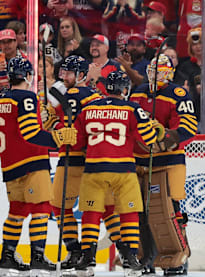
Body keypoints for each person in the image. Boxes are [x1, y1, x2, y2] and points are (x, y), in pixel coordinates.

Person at [0, 56, 76, 275]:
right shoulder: (27, 97)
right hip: (32, 161)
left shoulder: (1, 99)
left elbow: (15, 128)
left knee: (17, 211)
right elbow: (30, 133)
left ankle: (7, 255)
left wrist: (44, 121)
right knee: (40, 209)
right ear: (29, 76)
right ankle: (38, 255)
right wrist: (57, 138)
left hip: (9, 164)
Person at [72, 71, 159, 276]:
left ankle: (88, 258)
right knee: (129, 213)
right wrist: (155, 128)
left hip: (93, 168)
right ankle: (130, 258)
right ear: (125, 90)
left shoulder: (89, 109)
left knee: (91, 214)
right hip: (123, 169)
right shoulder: (132, 108)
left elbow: (75, 141)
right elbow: (148, 138)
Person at [129, 54, 198, 275]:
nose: (154, 76)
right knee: (139, 214)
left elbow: (188, 126)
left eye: (160, 71)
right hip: (139, 163)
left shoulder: (178, 93)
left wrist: (167, 139)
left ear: (169, 74)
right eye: (152, 71)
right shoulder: (138, 92)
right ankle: (145, 261)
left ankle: (177, 261)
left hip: (168, 162)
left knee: (170, 212)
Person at [45, 55, 102, 269]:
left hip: (71, 158)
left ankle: (75, 250)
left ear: (80, 75)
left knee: (59, 206)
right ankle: (88, 253)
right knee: (91, 207)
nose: (63, 77)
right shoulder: (95, 96)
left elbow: (54, 118)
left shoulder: (67, 94)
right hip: (92, 158)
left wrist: (51, 118)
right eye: (62, 73)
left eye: (67, 73)